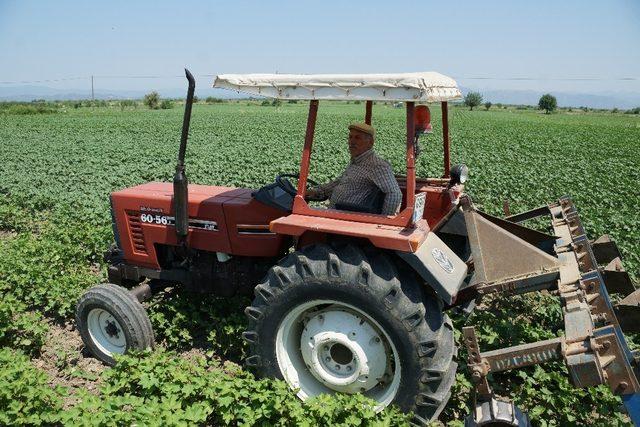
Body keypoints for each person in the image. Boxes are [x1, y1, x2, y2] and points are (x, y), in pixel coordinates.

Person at [306, 123, 402, 215]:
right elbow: (338, 182)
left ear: (370, 142)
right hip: (337, 211)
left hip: (349, 215)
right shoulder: (357, 160)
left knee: (305, 215)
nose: (352, 141)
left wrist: (383, 220)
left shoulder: (377, 165)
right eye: (350, 137)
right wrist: (316, 191)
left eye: (357, 138)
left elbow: (394, 193)